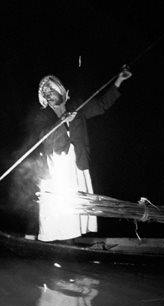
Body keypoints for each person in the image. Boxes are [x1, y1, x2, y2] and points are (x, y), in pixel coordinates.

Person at [34, 67, 132, 242]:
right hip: (58, 165)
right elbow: (43, 136)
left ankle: (71, 240)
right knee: (58, 204)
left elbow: (101, 105)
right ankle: (52, 239)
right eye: (44, 91)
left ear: (60, 88)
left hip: (78, 161)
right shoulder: (44, 115)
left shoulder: (77, 107)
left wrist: (119, 80)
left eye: (50, 88)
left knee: (76, 203)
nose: (48, 93)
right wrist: (62, 121)